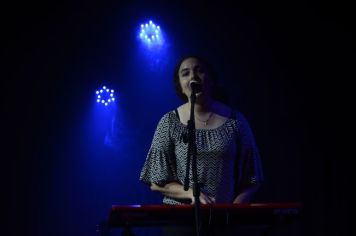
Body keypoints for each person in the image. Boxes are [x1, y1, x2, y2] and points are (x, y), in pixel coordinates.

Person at [139, 55, 264, 235]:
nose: (193, 77)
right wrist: (191, 194)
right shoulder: (168, 122)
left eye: (199, 70)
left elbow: (253, 178)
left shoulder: (236, 121)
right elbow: (156, 182)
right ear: (180, 85)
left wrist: (233, 211)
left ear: (211, 79)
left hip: (226, 221)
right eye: (185, 73)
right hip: (181, 220)